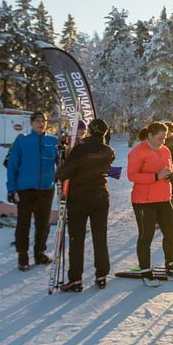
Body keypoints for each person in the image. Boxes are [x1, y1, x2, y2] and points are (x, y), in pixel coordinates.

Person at [55, 119, 116, 291]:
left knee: (77, 239)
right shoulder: (108, 151)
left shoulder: (80, 149)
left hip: (79, 198)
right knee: (100, 236)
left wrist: (65, 157)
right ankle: (102, 274)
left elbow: (64, 172)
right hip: (100, 197)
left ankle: (75, 279)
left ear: (89, 130)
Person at [126, 122, 173, 277]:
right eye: (159, 138)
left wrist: (172, 175)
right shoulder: (138, 152)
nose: (162, 141)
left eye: (164, 138)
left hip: (164, 198)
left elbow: (167, 170)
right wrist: (156, 176)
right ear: (150, 135)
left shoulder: (165, 150)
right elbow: (132, 176)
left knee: (170, 232)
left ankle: (170, 263)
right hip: (144, 201)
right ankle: (145, 268)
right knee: (146, 236)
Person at [6, 111, 59, 271]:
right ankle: (22, 255)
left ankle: (39, 252)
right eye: (37, 121)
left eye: (43, 121)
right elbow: (12, 166)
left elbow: (61, 163)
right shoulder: (22, 141)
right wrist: (11, 189)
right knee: (24, 223)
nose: (40, 123)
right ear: (31, 123)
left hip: (46, 188)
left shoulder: (53, 141)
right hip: (25, 189)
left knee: (43, 224)